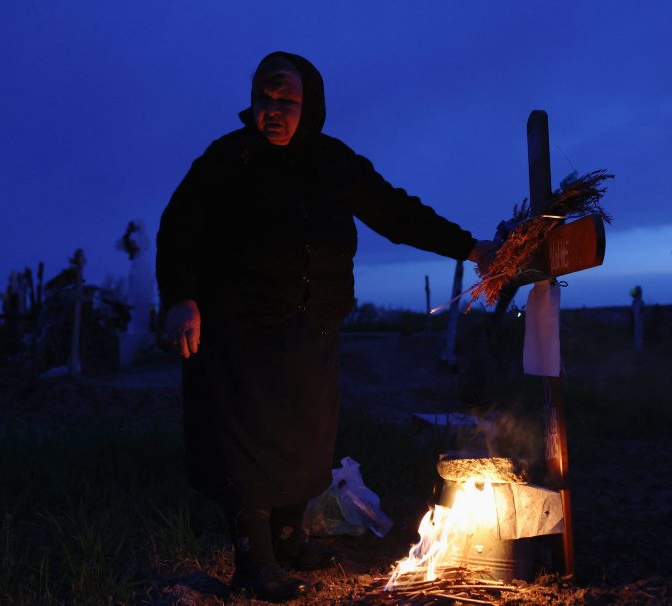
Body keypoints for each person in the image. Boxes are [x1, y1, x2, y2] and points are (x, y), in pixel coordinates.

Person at [157, 51, 492, 602]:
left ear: (309, 103)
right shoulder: (229, 158)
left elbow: (396, 212)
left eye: (285, 101)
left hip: (311, 325)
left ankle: (289, 542)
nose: (272, 111)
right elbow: (179, 227)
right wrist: (181, 297)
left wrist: (471, 247)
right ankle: (255, 562)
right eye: (263, 99)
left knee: (304, 438)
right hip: (239, 326)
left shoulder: (333, 161)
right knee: (246, 443)